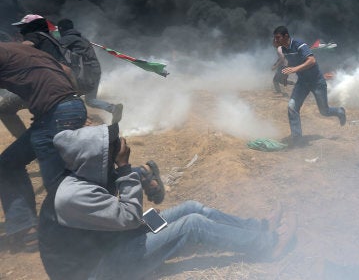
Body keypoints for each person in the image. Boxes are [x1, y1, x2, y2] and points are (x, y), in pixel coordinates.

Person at [38, 123, 297, 279]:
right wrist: (125, 168)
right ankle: (267, 246)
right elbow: (127, 217)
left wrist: (137, 179)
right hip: (99, 271)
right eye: (112, 149)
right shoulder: (72, 196)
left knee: (191, 207)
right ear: (94, 158)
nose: (120, 150)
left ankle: (259, 227)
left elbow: (115, 216)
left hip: (110, 245)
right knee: (192, 224)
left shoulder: (79, 178)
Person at [0, 42, 87, 250]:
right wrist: (71, 103)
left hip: (54, 115)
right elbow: (66, 70)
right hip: (67, 109)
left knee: (55, 180)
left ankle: (66, 237)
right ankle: (24, 225)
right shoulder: (24, 50)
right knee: (7, 163)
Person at [273, 26, 346, 143]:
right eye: (275, 39)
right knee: (292, 107)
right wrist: (286, 75)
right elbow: (290, 64)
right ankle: (297, 138)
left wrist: (295, 69)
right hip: (302, 83)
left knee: (324, 111)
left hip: (317, 82)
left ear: (286, 36)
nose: (276, 41)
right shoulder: (285, 49)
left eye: (278, 38)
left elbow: (311, 60)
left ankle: (339, 111)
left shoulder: (299, 44)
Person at [57, 18, 123, 124]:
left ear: (61, 29)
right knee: (90, 100)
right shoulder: (81, 38)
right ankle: (113, 109)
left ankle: (77, 117)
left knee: (71, 93)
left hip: (87, 73)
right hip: (94, 71)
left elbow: (53, 48)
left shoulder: (68, 39)